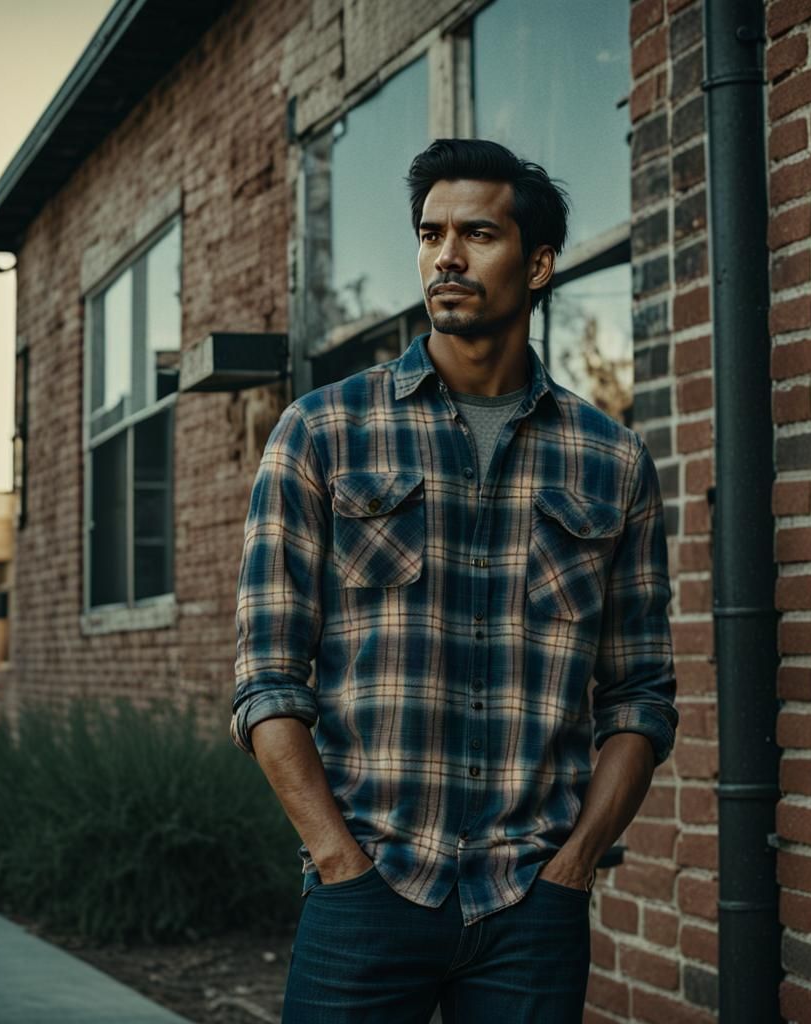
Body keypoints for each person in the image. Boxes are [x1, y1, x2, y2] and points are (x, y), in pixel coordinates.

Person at [230, 138, 678, 1024]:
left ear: (538, 264)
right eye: (430, 234)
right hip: (367, 891)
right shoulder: (322, 433)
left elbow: (640, 697)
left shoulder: (611, 461)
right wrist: (338, 862)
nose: (446, 256)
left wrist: (574, 865)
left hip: (531, 906)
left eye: (477, 233)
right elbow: (266, 679)